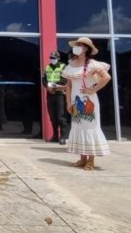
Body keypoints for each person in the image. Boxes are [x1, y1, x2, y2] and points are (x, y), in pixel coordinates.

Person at [62, 37, 111, 171]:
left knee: (90, 127)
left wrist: (93, 89)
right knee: (78, 126)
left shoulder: (93, 64)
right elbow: (69, 85)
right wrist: (68, 102)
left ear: (86, 49)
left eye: (80, 45)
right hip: (75, 100)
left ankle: (91, 160)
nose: (77, 47)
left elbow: (107, 77)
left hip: (89, 100)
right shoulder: (71, 64)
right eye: (76, 45)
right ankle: (82, 158)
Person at [42, 51, 68, 144]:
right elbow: (44, 79)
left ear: (58, 58)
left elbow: (65, 79)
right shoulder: (48, 67)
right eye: (51, 58)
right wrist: (47, 86)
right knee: (52, 116)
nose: (52, 60)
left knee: (60, 116)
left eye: (54, 58)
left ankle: (63, 137)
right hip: (50, 94)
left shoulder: (63, 66)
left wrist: (55, 85)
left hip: (60, 93)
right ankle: (55, 136)